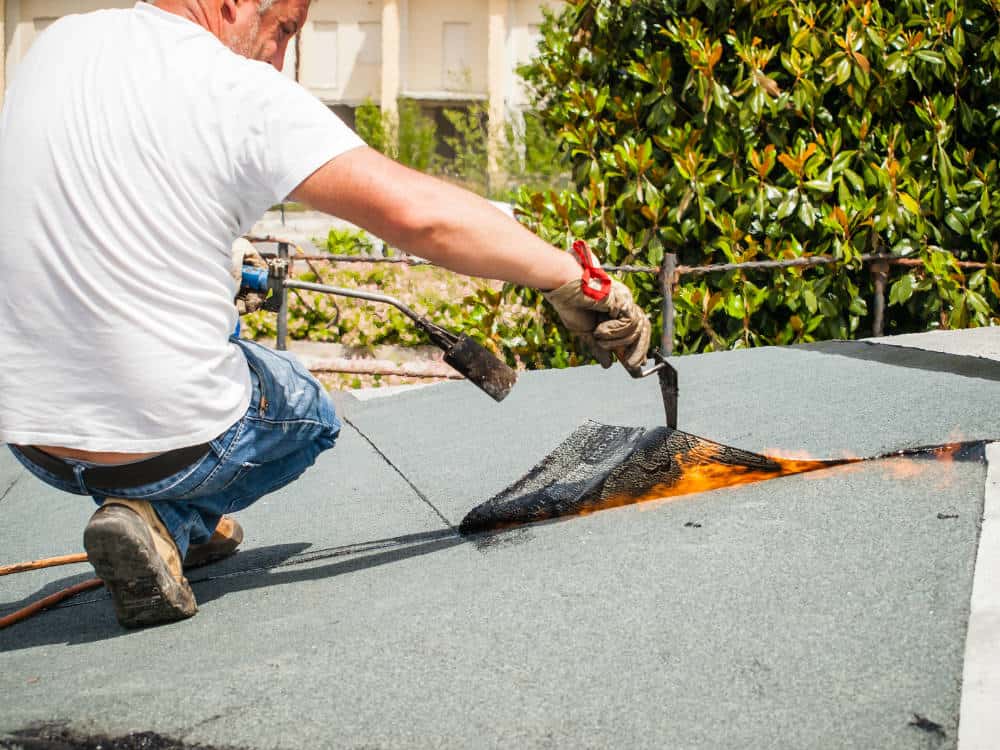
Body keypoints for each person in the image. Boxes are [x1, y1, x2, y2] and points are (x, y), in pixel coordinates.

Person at [0, 0, 652, 629]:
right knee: (309, 408)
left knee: (212, 338)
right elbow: (420, 216)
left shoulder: (58, 43)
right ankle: (168, 518)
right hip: (163, 452)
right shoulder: (236, 88)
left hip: (30, 439)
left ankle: (158, 517)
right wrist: (571, 279)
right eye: (285, 29)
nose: (280, 60)